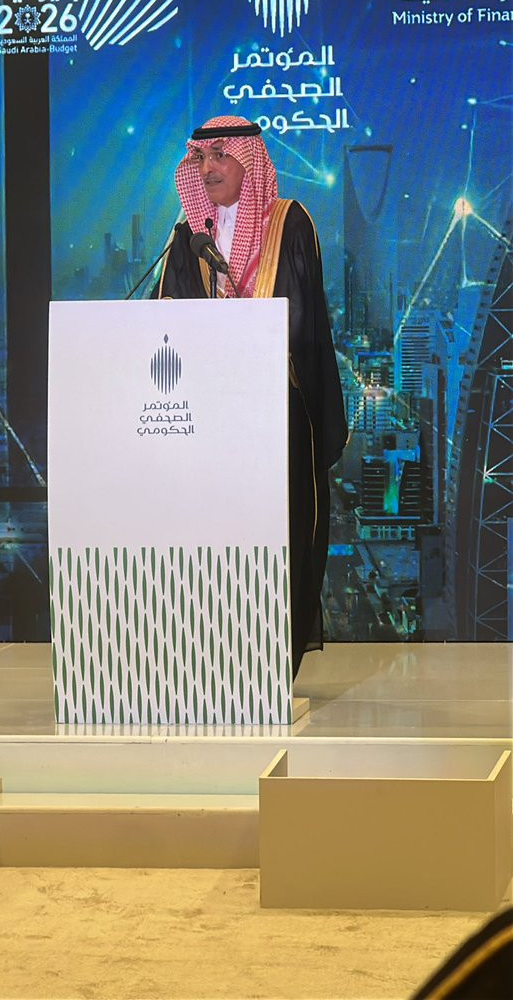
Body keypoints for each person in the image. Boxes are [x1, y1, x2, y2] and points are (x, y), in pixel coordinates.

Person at [153, 115, 348, 679]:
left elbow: (304, 317)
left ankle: (270, 667)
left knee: (280, 535)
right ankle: (209, 665)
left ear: (249, 161)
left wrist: (246, 341)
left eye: (220, 155)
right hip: (205, 419)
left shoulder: (289, 222)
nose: (207, 168)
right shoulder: (187, 236)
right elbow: (166, 316)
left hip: (277, 413)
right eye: (199, 158)